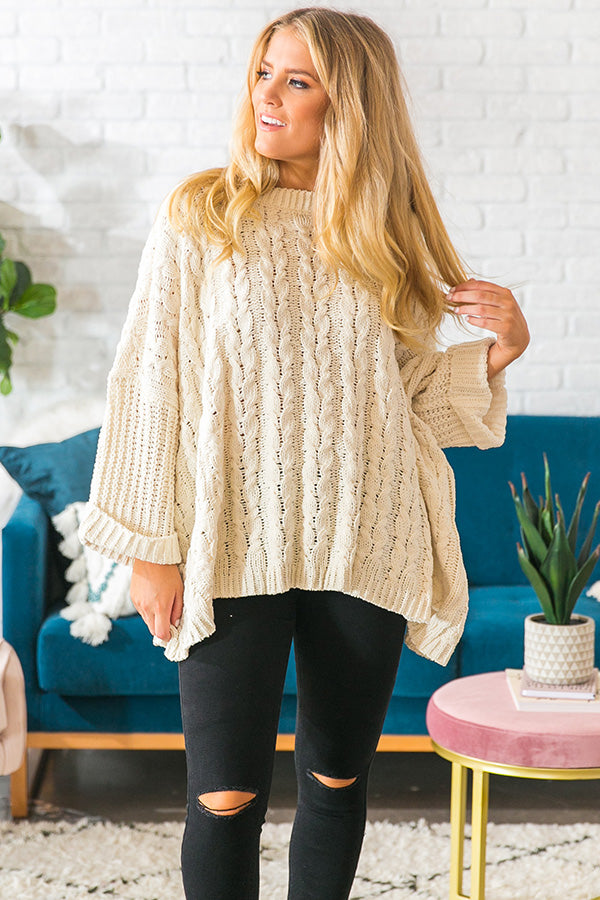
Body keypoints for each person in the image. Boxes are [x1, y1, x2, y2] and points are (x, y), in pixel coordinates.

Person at [79, 7, 530, 899]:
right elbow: (151, 384)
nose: (268, 96)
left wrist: (499, 352)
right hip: (231, 543)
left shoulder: (387, 231)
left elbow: (400, 401)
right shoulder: (202, 213)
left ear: (349, 102)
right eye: (263, 73)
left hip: (368, 539)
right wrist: (149, 548)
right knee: (223, 796)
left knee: (335, 778)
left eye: (297, 81)